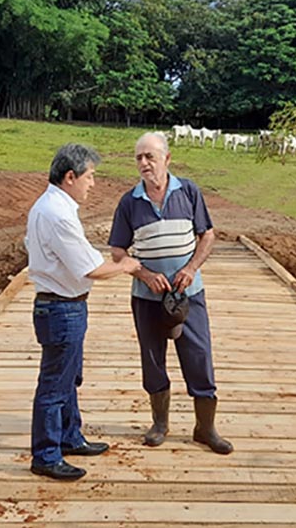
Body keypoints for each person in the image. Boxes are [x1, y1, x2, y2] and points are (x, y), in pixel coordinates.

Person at [108, 132, 233, 455]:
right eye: (138, 158)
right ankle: (160, 423)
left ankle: (205, 428)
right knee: (152, 359)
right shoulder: (129, 202)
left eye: (150, 156)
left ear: (167, 158)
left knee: (199, 355)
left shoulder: (188, 191)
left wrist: (190, 269)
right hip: (147, 298)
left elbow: (207, 235)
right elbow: (118, 252)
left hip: (189, 295)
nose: (144, 163)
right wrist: (145, 274)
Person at [26, 143, 141, 481]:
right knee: (54, 385)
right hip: (61, 308)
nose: (93, 183)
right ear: (70, 176)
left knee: (68, 378)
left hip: (62, 306)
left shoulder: (50, 206)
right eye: (90, 177)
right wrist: (126, 265)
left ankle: (70, 436)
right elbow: (89, 268)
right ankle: (46, 455)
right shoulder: (58, 214)